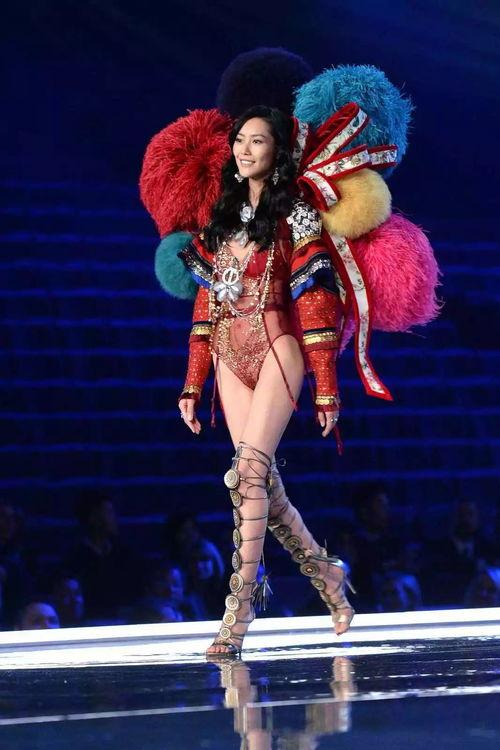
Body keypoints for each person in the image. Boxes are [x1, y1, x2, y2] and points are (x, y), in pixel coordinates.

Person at [178, 105, 354, 656]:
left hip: (278, 348)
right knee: (259, 486)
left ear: (277, 152)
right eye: (240, 140)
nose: (245, 149)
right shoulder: (221, 217)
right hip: (229, 356)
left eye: (257, 141)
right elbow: (205, 310)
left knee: (248, 474)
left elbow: (316, 300)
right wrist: (192, 384)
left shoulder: (294, 215)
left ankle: (240, 607)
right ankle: (328, 575)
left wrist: (326, 385)